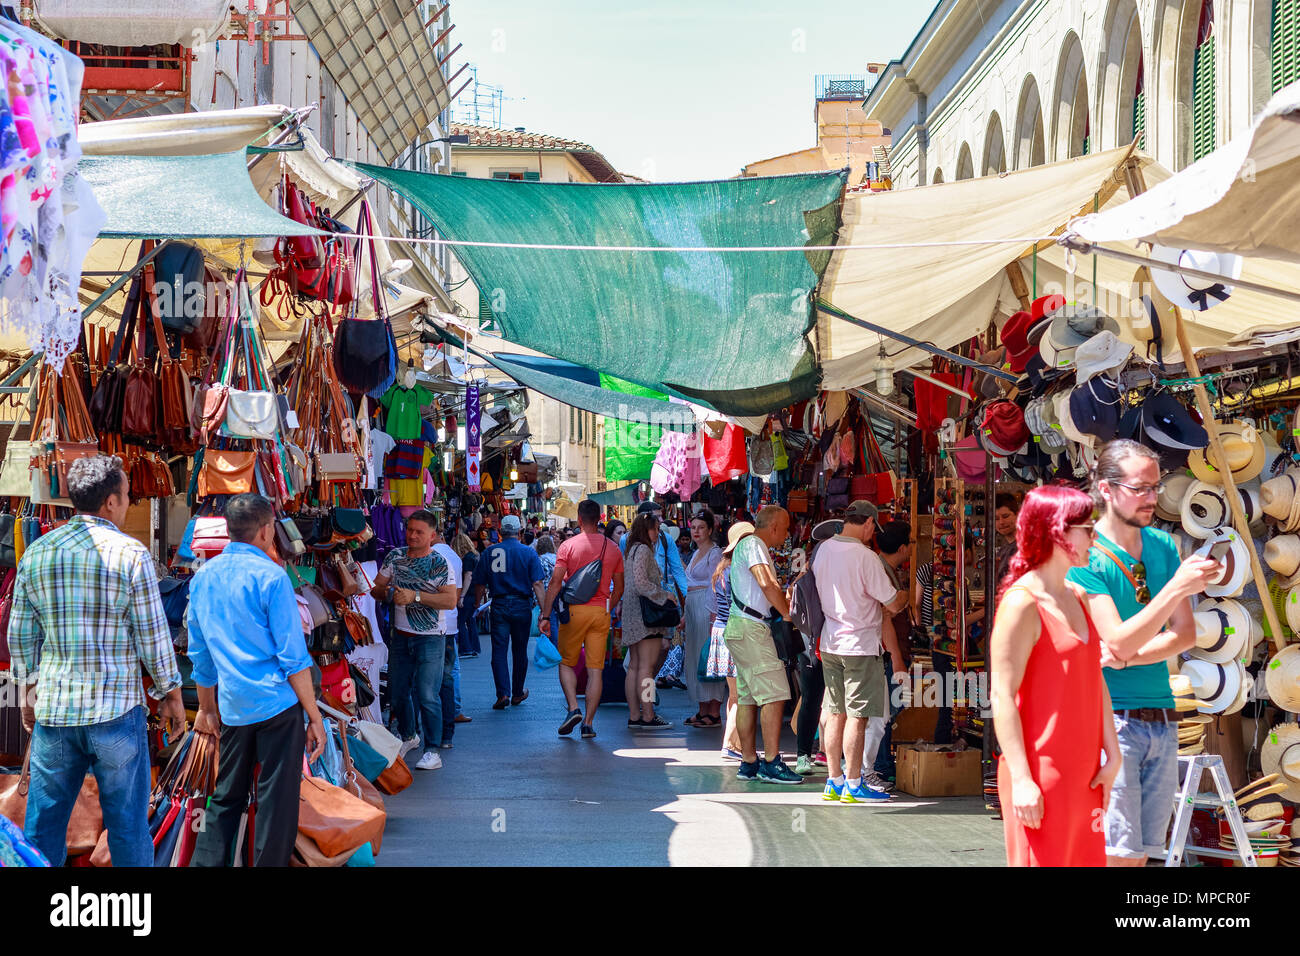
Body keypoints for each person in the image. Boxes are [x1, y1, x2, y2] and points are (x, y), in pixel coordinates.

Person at [10, 455, 186, 867]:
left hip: (56, 712)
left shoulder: (37, 552)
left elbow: (20, 634)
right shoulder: (131, 554)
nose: (127, 503)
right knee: (126, 826)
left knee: (44, 826)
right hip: (116, 714)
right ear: (110, 502)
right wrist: (171, 696)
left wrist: (28, 691)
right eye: (126, 496)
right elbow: (152, 636)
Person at [1065, 439, 1220, 866]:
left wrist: (1129, 656)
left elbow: (1185, 634)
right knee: (1117, 855)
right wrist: (1175, 589)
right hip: (1111, 722)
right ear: (1106, 488)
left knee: (1144, 855)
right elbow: (1115, 638)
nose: (1152, 498)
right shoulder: (1085, 554)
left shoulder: (1162, 546)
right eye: (1141, 488)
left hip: (1162, 718)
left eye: (1155, 486)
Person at [188, 495, 327, 867]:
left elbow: (200, 655)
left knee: (225, 797)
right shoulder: (271, 577)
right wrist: (313, 715)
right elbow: (292, 656)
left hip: (234, 706)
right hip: (278, 704)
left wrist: (206, 709)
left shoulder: (203, 578)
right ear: (266, 530)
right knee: (275, 802)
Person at [992, 485, 1122, 867]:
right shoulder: (1022, 603)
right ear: (1059, 531)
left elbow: (1093, 679)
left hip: (1084, 772)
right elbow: (1001, 696)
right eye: (1088, 528)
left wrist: (1112, 754)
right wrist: (1022, 778)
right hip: (1039, 773)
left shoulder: (1079, 595)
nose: (1094, 537)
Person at [812, 501, 908, 802]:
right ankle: (854, 783)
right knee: (858, 716)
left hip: (830, 643)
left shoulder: (823, 550)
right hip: (859, 646)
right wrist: (904, 595)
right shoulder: (865, 557)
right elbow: (892, 603)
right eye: (872, 528)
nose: (872, 535)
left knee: (835, 712)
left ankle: (834, 781)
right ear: (868, 523)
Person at [370, 511, 459, 770]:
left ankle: (432, 750)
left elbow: (450, 600)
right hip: (400, 635)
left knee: (427, 694)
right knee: (397, 693)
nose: (412, 535)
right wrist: (386, 593)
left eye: (419, 532)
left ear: (432, 535)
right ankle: (410, 735)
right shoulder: (395, 557)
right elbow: (376, 587)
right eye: (409, 530)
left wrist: (415, 597)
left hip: (430, 638)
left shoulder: (440, 562)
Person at [724, 506, 803, 785]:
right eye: (785, 528)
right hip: (751, 628)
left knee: (747, 698)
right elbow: (767, 583)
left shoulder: (746, 545)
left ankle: (748, 762)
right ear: (773, 527)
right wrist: (787, 614)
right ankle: (771, 762)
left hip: (739, 626)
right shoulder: (755, 544)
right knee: (775, 694)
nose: (787, 534)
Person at [540, 500, 625, 738]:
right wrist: (609, 606)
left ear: (579, 519)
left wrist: (545, 615)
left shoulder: (568, 546)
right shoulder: (613, 548)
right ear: (600, 518)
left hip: (574, 611)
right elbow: (619, 587)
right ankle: (588, 723)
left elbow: (556, 582)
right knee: (595, 670)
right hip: (601, 613)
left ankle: (573, 708)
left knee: (566, 662)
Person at [473, 514, 545, 709]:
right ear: (519, 532)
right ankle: (517, 692)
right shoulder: (528, 553)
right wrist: (544, 611)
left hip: (499, 604)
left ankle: (502, 693)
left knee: (499, 650)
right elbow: (537, 583)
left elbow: (479, 583)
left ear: (500, 533)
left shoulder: (489, 552)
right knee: (520, 650)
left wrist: (477, 606)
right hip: (522, 605)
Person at [619, 513, 678, 730]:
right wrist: (664, 595)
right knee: (647, 667)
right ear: (647, 529)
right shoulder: (643, 550)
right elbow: (641, 584)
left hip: (633, 612)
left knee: (635, 666)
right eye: (655, 529)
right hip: (647, 616)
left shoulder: (632, 548)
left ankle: (635, 715)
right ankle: (648, 714)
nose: (658, 534)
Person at [866, 521, 913, 788]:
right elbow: (886, 616)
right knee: (884, 712)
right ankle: (879, 766)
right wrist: (896, 658)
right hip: (884, 652)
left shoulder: (885, 569)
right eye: (910, 544)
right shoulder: (882, 572)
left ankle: (879, 765)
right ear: (903, 547)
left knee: (886, 710)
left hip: (883, 651)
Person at [794, 519, 840, 775]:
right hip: (813, 645)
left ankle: (826, 754)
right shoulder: (807, 577)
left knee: (833, 702)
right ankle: (804, 754)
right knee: (812, 699)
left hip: (834, 643)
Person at [682, 510, 725, 728]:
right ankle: (702, 709)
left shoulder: (714, 553)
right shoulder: (697, 552)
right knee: (695, 659)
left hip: (707, 609)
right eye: (693, 527)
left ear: (710, 529)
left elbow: (715, 586)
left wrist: (713, 618)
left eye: (701, 527)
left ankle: (714, 712)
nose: (696, 531)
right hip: (692, 608)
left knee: (710, 660)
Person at [430, 519, 463, 748]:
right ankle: (447, 734)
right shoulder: (455, 557)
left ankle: (428, 731)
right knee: (447, 677)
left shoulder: (426, 556)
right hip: (449, 624)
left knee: (425, 681)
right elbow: (456, 596)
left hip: (426, 625)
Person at [709, 550, 743, 759]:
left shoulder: (722, 571)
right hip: (733, 632)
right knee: (740, 695)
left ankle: (734, 742)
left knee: (733, 694)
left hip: (721, 631)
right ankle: (730, 744)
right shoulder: (734, 573)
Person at [452, 533, 480, 662]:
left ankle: (466, 648)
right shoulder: (475, 555)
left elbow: (468, 576)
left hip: (467, 593)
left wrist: (461, 596)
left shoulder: (467, 558)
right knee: (470, 620)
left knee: (460, 621)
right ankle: (474, 647)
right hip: (474, 592)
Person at [994, 492, 1021, 586]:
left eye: (1005, 516)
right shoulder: (1002, 551)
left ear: (1017, 515)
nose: (1001, 522)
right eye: (996, 518)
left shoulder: (1026, 548)